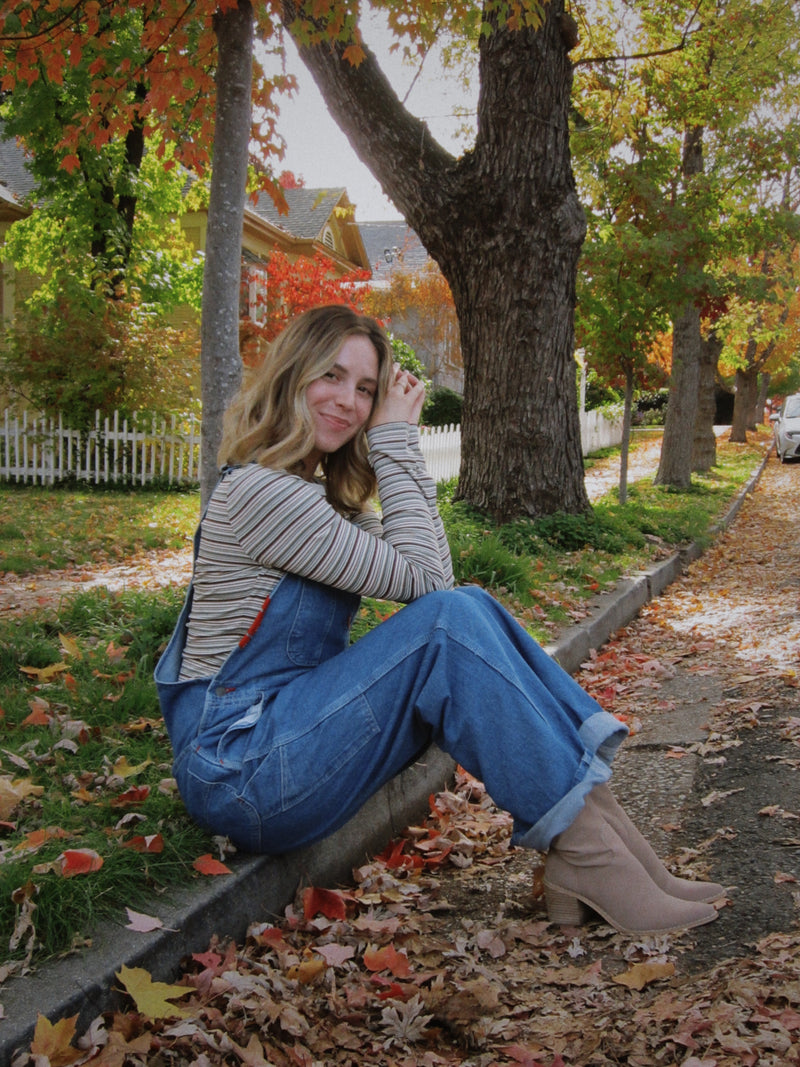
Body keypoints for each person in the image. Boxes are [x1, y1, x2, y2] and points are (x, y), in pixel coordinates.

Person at [155, 304, 723, 937]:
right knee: (452, 618)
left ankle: (613, 849)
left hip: (286, 742)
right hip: (241, 767)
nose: (348, 401)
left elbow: (432, 573)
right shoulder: (264, 495)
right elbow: (430, 588)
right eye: (332, 377)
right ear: (292, 375)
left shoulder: (312, 499)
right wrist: (396, 441)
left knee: (469, 609)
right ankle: (594, 856)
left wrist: (396, 449)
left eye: (366, 390)